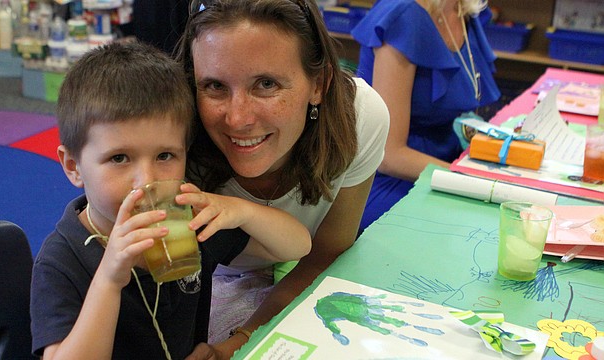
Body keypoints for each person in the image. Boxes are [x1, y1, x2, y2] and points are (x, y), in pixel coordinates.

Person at [29, 41, 311, 360]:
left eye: (165, 155)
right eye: (119, 158)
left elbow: (297, 246)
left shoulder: (183, 221)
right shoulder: (62, 262)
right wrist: (108, 279)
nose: (147, 180)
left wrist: (239, 210)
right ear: (73, 166)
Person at [174, 0, 390, 356]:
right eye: (214, 86)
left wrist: (244, 337)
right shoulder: (171, 136)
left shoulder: (360, 118)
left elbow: (326, 255)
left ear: (319, 84)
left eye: (266, 84)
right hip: (211, 281)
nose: (238, 118)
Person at [352, 0, 501, 230]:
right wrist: (472, 180)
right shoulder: (404, 15)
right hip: (388, 180)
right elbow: (389, 156)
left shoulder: (462, 9)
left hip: (443, 161)